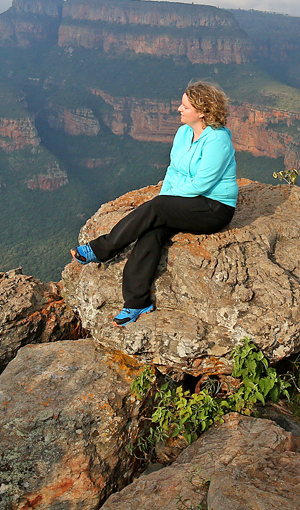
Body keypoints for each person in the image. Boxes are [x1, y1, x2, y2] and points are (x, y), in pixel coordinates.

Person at [71, 81, 238, 327]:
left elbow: (202, 184)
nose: (178, 109)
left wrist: (163, 203)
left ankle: (102, 249)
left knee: (157, 209)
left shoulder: (218, 140)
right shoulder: (184, 133)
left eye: (185, 106)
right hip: (186, 202)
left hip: (213, 208)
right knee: (152, 231)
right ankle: (137, 303)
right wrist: (164, 199)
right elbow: (173, 171)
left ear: (202, 111)